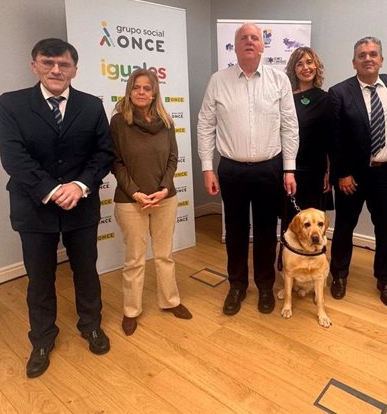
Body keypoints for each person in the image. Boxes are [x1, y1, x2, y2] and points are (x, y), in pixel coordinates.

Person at [0, 38, 113, 378]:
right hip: (34, 205)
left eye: (64, 64)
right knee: (40, 278)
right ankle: (43, 339)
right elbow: (13, 157)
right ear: (34, 65)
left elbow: (103, 153)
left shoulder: (92, 106)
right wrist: (51, 189)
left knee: (87, 271)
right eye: (48, 63)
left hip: (81, 202)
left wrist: (78, 186)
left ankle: (91, 325)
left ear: (75, 69)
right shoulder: (12, 104)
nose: (56, 70)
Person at [197, 23, 298, 316]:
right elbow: (205, 124)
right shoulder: (218, 80)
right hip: (231, 170)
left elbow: (290, 127)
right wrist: (207, 167)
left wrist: (289, 169)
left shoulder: (279, 81)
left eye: (255, 38)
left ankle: (265, 286)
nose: (250, 42)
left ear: (263, 45)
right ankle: (237, 286)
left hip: (270, 168)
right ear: (236, 46)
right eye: (244, 38)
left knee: (267, 232)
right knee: (236, 231)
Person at [110, 69, 192, 336]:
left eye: (147, 87)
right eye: (137, 87)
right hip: (130, 201)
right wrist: (135, 192)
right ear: (129, 90)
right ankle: (131, 310)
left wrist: (164, 188)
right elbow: (116, 162)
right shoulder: (119, 122)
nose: (142, 92)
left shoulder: (166, 121)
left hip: (164, 199)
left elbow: (172, 158)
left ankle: (170, 301)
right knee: (134, 259)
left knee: (164, 255)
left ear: (155, 91)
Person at [327, 36, 387, 307]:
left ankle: (386, 280)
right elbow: (334, 138)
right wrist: (342, 173)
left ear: (381, 59)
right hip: (352, 176)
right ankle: (338, 275)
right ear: (354, 62)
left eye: (373, 54)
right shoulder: (339, 92)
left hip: (386, 173)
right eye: (362, 55)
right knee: (344, 227)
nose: (368, 58)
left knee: (385, 230)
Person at [280, 47, 332, 234]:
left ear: (316, 65)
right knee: (291, 221)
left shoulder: (327, 99)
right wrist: (287, 170)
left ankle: (314, 261)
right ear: (293, 69)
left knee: (315, 222)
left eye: (309, 62)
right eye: (299, 64)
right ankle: (286, 260)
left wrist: (328, 171)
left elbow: (329, 139)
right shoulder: (285, 99)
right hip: (290, 168)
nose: (306, 67)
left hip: (317, 170)